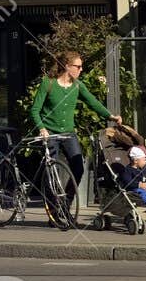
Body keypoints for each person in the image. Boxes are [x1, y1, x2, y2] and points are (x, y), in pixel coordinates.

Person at [29, 50, 118, 201]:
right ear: (67, 66)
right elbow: (35, 110)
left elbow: (92, 102)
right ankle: (53, 208)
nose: (81, 69)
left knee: (78, 168)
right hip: (50, 133)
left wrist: (110, 116)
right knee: (52, 170)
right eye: (78, 66)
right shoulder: (48, 84)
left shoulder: (77, 86)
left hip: (68, 133)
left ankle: (67, 201)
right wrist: (42, 128)